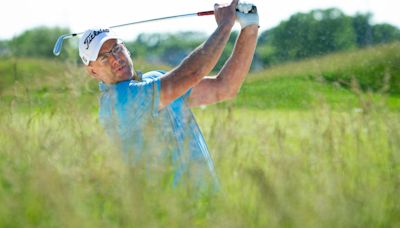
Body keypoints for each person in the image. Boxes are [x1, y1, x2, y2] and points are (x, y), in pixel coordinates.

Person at [78, 0, 259, 191]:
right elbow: (191, 73)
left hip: (210, 207)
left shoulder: (156, 79)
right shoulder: (117, 102)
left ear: (126, 48)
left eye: (116, 48)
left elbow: (225, 88)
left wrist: (250, 28)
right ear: (93, 72)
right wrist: (225, 23)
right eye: (104, 58)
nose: (115, 59)